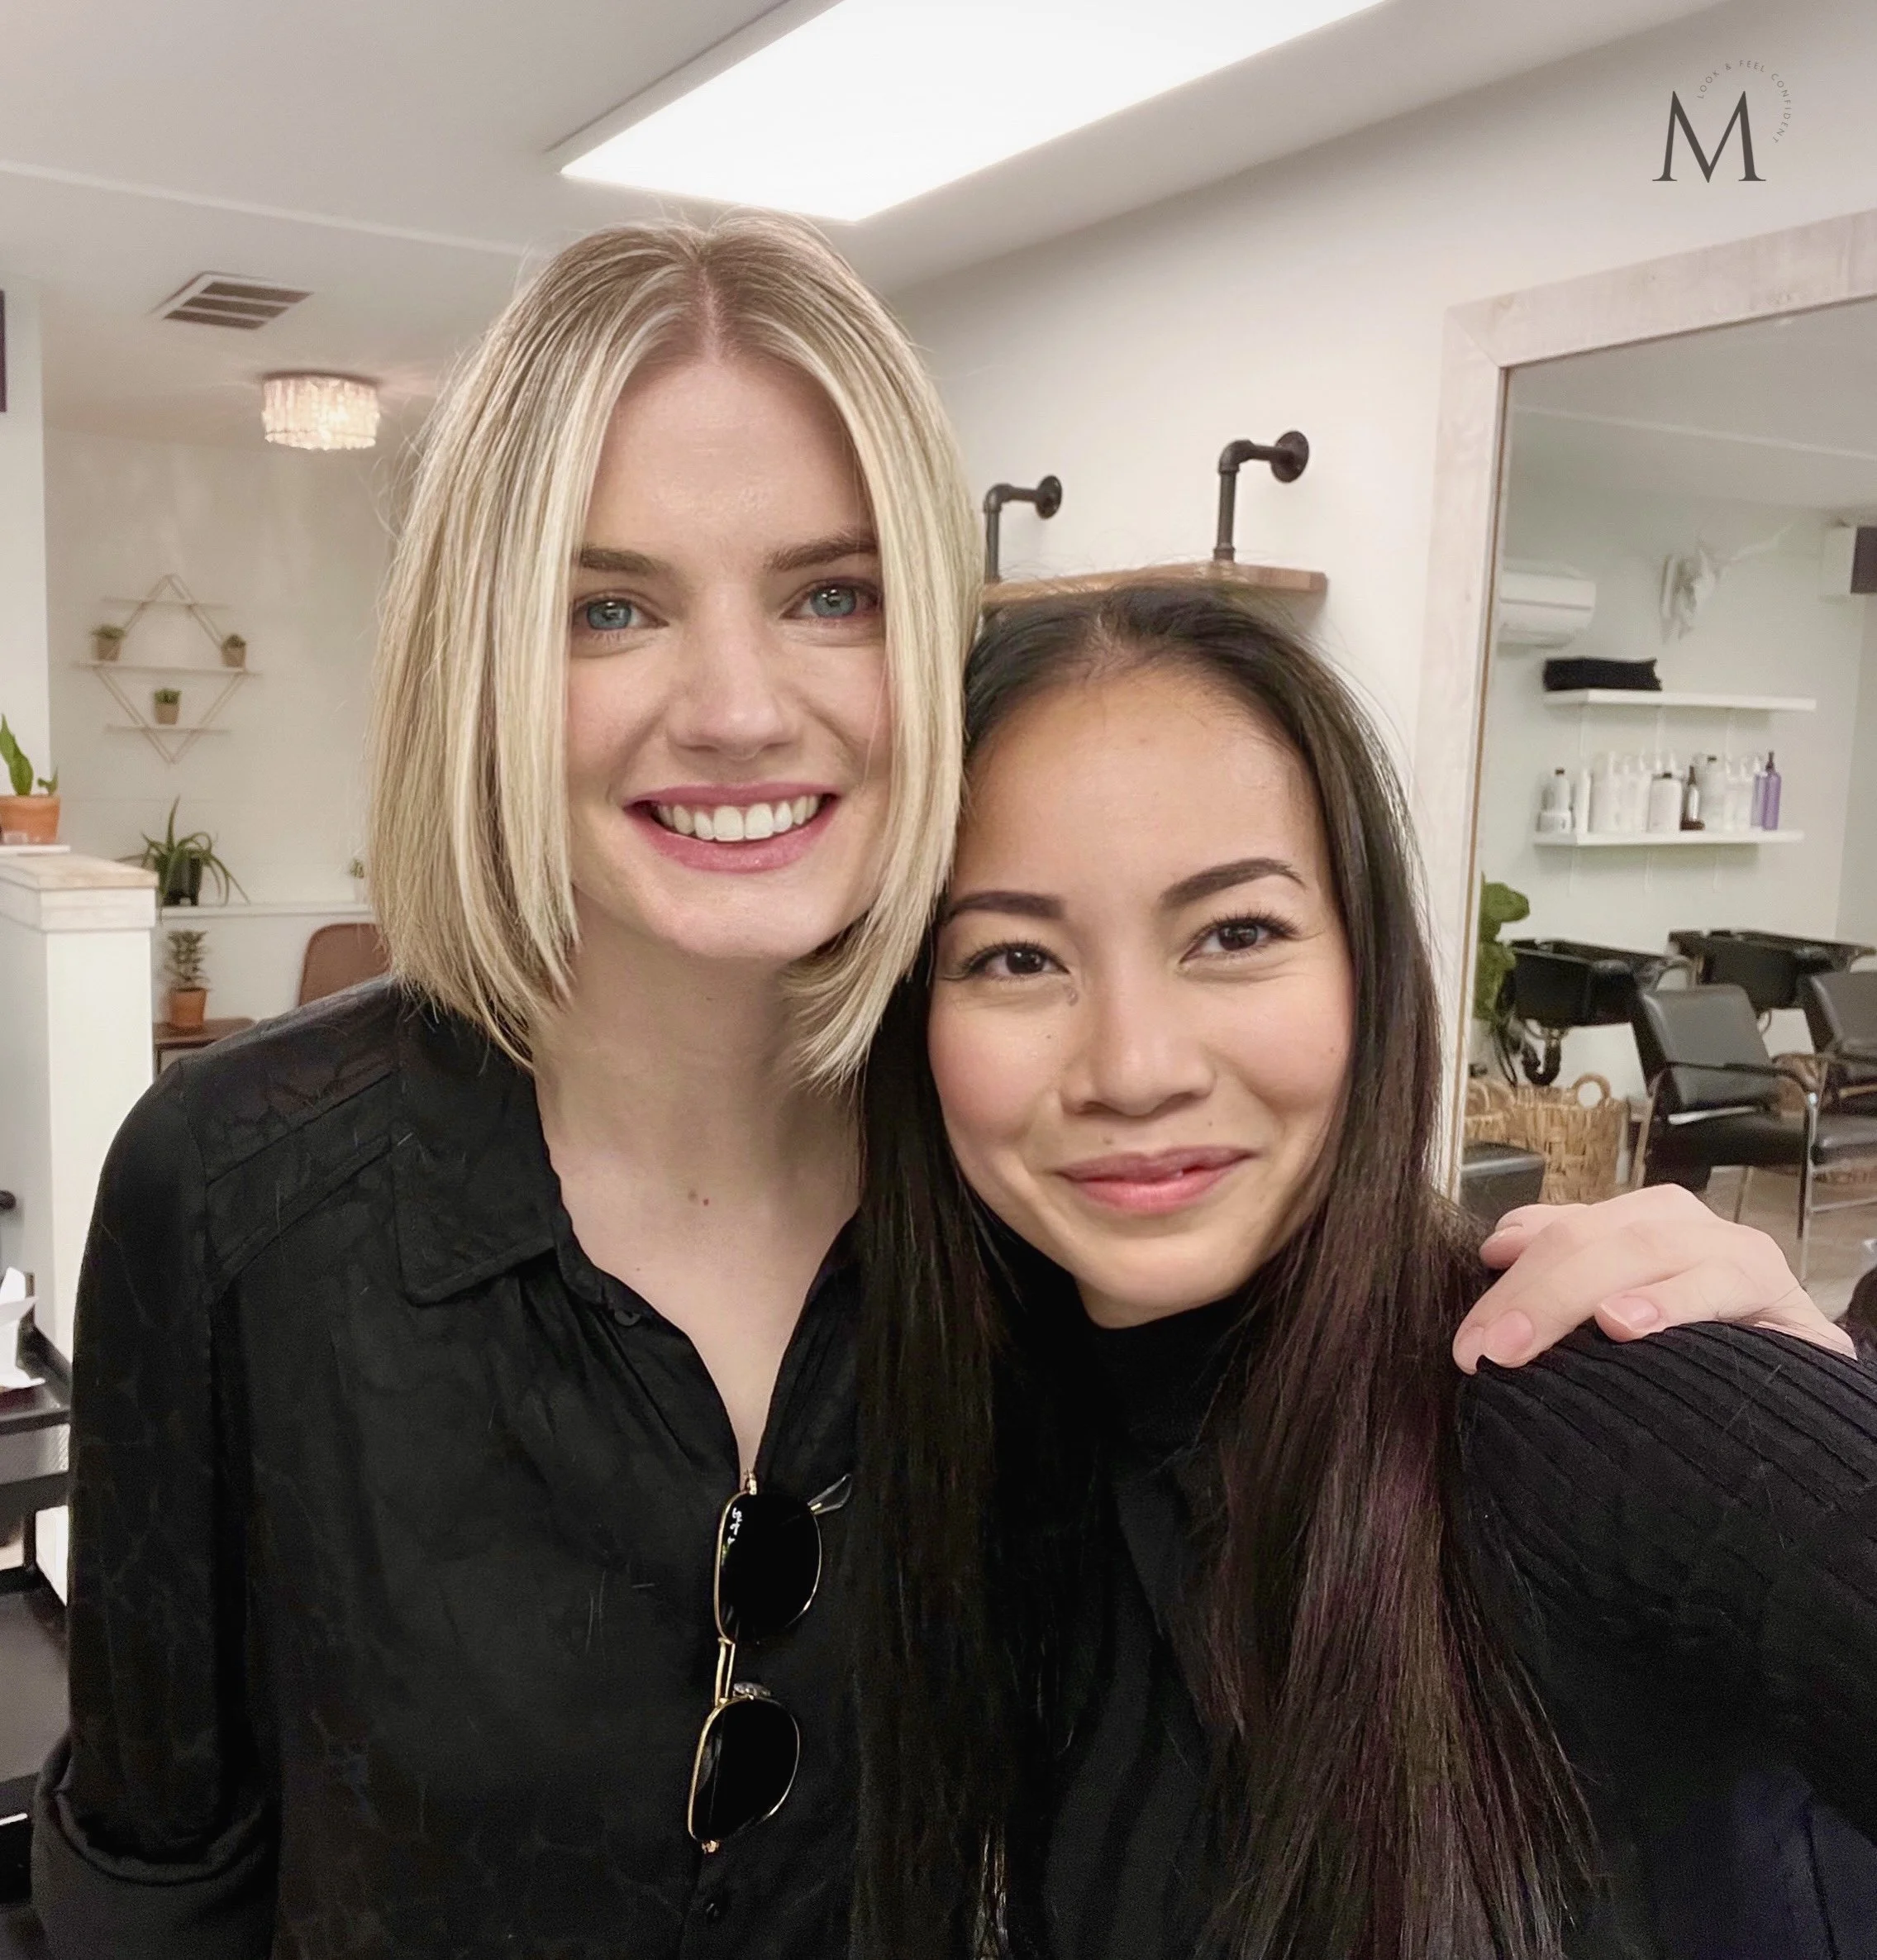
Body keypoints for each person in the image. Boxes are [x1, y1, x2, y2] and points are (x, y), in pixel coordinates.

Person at [31, 217, 1841, 1958]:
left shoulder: (1026, 1182)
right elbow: (151, 1876)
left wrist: (1758, 1375)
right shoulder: (244, 1191)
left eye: (831, 594)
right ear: (478, 657)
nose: (736, 707)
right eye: (609, 606)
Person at [856, 583, 1877, 1960]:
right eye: (1015, 956)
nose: (1133, 1069)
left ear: (1369, 967)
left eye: (1234, 933)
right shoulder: (962, 1458)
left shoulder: (1584, 1406)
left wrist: (1811, 1414)